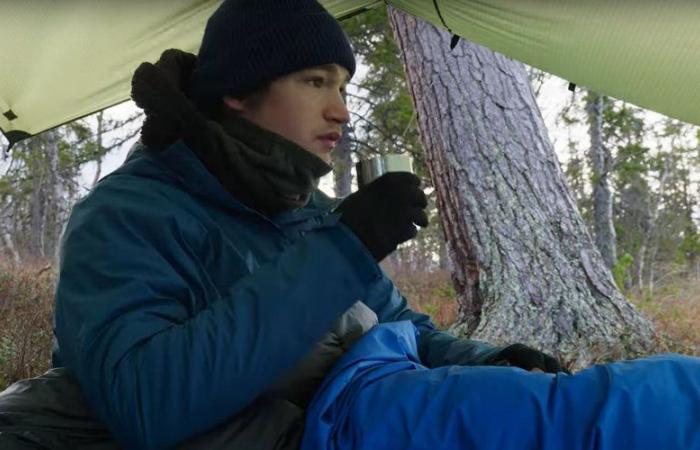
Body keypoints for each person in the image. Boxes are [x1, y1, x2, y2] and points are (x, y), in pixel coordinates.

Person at [34, 0, 700, 449]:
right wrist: (343, 248)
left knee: (592, 402)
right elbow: (147, 402)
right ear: (238, 90)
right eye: (316, 81)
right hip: (340, 423)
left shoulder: (302, 213)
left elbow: (401, 327)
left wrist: (488, 357)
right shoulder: (127, 218)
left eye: (346, 87)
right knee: (606, 417)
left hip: (380, 395)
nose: (342, 112)